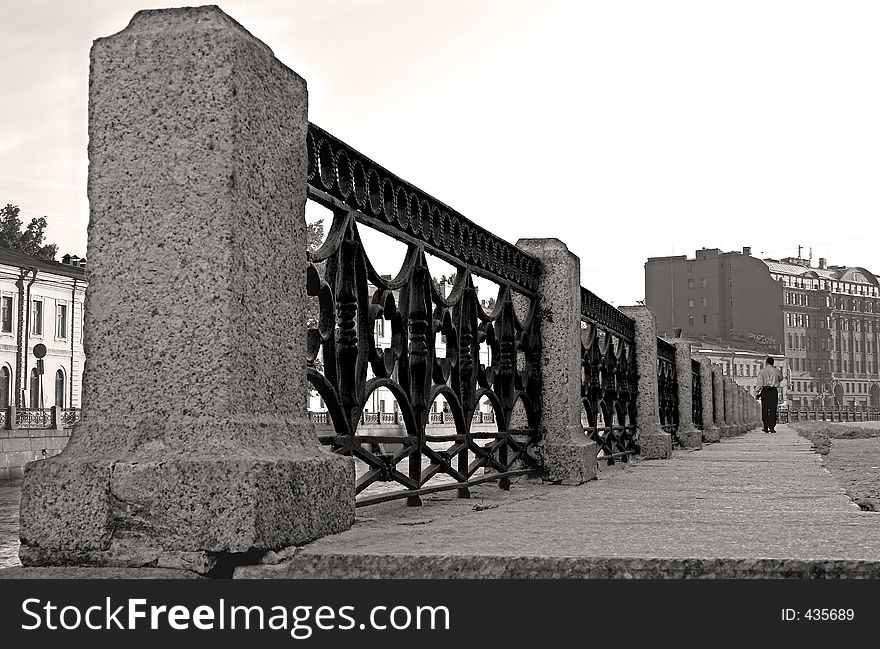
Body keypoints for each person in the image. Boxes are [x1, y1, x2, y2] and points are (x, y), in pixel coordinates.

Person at [756, 357, 783, 433]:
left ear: (766, 362)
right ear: (773, 363)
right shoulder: (776, 371)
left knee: (765, 409)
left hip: (765, 391)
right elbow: (780, 378)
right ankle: (772, 427)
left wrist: (757, 392)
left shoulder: (762, 371)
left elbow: (759, 382)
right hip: (773, 391)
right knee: (773, 409)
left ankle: (765, 427)